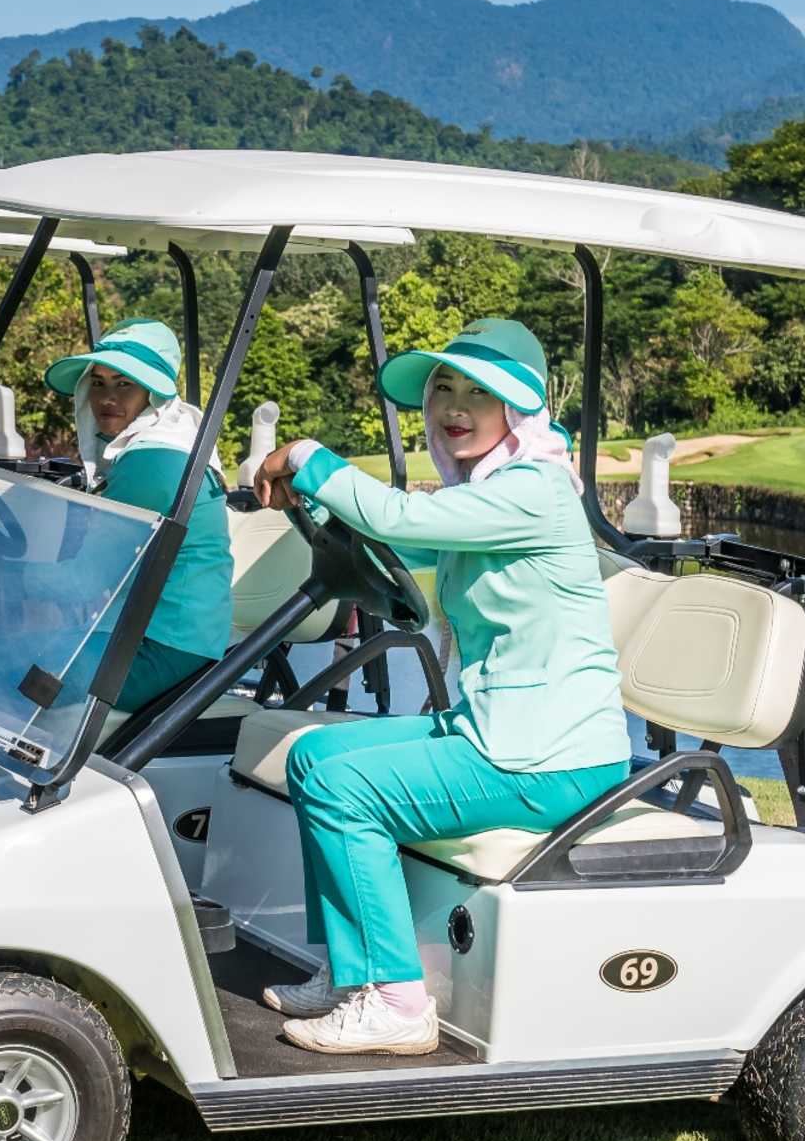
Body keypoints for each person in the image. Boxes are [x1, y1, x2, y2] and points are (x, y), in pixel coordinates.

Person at [250, 317, 628, 1056]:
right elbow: (404, 541)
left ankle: (397, 1004)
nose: (454, 407)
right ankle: (354, 974)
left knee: (343, 789)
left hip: (548, 758)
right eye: (443, 390)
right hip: (497, 731)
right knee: (314, 757)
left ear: (514, 409)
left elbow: (398, 516)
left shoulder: (534, 492)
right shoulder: (491, 492)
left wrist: (303, 455)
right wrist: (315, 507)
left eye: (476, 393)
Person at [42, 318, 232, 711]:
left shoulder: (154, 459)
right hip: (157, 635)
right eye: (98, 383)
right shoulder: (168, 443)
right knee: (7, 657)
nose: (107, 398)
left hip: (161, 646)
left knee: (1, 669)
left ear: (153, 395)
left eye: (124, 384)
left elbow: (90, 574)